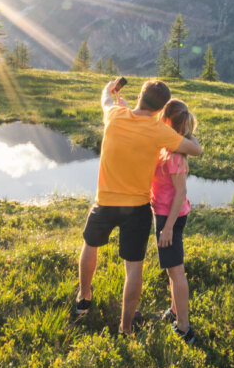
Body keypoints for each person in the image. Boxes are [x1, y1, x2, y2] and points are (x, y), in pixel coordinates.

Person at [76, 77, 202, 335]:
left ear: (140, 97)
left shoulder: (114, 115)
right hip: (138, 209)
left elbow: (106, 99)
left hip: (105, 201)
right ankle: (126, 328)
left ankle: (83, 297)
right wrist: (188, 134)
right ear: (160, 110)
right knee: (133, 267)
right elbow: (193, 149)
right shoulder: (160, 131)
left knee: (90, 246)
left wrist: (111, 88)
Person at [150, 99, 197, 343]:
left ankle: (184, 327)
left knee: (177, 271)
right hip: (166, 214)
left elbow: (180, 193)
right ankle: (175, 310)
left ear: (167, 121)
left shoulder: (175, 155)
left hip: (171, 217)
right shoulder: (170, 147)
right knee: (171, 269)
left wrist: (167, 228)